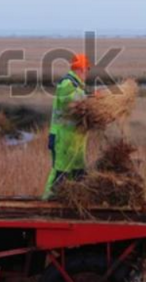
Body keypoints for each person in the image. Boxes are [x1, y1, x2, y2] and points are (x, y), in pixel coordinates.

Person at [42, 53, 91, 200]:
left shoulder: (76, 85)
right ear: (81, 69)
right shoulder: (67, 84)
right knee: (61, 172)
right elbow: (73, 102)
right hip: (63, 138)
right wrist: (94, 99)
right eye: (87, 69)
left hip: (74, 138)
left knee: (78, 172)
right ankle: (48, 202)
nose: (87, 73)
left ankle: (75, 200)